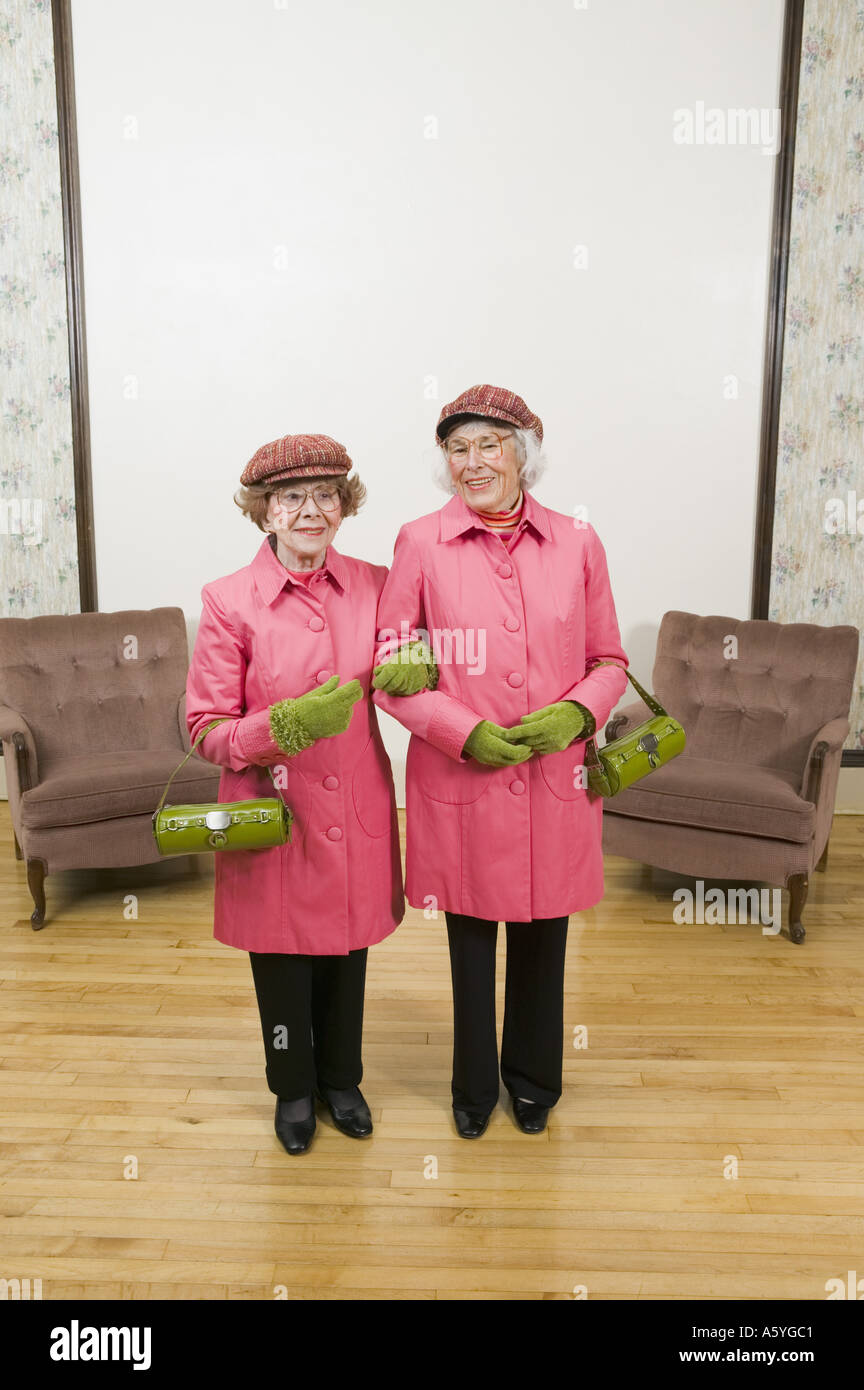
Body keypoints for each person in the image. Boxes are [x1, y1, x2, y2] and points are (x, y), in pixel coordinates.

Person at [372, 385, 629, 1138]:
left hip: (555, 779)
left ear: (526, 455)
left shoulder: (579, 542)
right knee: (470, 937)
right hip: (462, 780)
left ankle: (534, 1081)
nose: (473, 462)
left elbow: (609, 658)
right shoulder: (419, 542)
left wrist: (579, 711)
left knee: (546, 936)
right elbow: (391, 664)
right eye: (458, 448)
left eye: (490, 444)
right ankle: (473, 1087)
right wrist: (460, 730)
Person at [186, 433, 404, 1155]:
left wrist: (422, 661)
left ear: (344, 505)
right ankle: (293, 1089)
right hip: (272, 811)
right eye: (291, 498)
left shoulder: (377, 582)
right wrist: (274, 728)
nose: (311, 511)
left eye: (326, 495)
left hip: (356, 803)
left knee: (347, 951)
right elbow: (204, 728)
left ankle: (343, 1078)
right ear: (264, 512)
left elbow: (407, 663)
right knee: (280, 958)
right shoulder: (228, 601)